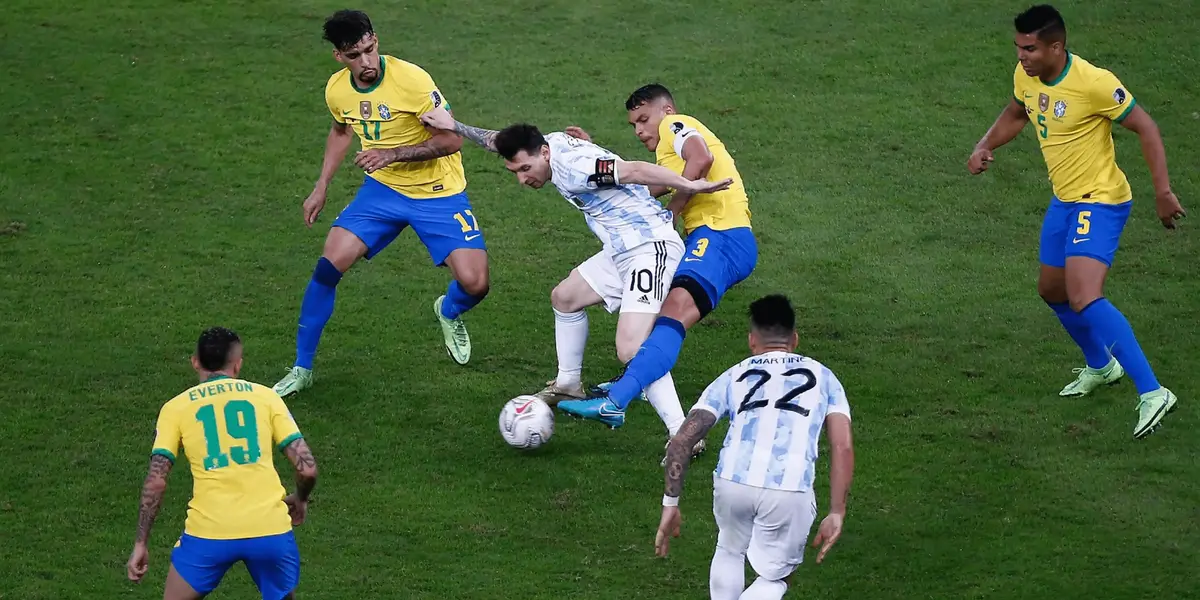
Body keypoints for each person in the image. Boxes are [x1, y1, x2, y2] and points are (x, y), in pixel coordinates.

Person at [419, 107, 730, 456]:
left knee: (631, 348)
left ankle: (683, 433)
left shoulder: (575, 170)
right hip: (621, 248)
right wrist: (455, 126)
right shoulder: (546, 143)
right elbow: (497, 140)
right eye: (515, 171)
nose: (523, 179)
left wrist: (689, 185)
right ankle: (568, 385)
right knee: (565, 298)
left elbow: (636, 170)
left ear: (545, 154)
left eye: (525, 169)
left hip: (649, 247)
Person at [967, 4, 1183, 438]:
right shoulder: (1026, 75)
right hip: (1065, 200)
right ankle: (1102, 366)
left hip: (1101, 200)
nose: (1022, 56)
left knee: (1085, 294)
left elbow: (1147, 127)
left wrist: (1162, 192)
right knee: (1052, 289)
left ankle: (1154, 392)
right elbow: (1016, 113)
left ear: (1056, 46)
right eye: (1018, 47)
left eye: (1029, 48)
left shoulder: (1094, 83)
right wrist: (984, 144)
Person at [274, 9, 489, 396]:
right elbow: (341, 131)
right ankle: (302, 368)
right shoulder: (337, 89)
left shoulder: (413, 80)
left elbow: (452, 140)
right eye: (355, 55)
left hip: (437, 190)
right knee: (328, 266)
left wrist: (392, 154)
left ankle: (448, 309)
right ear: (339, 56)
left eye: (370, 49)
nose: (366, 61)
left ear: (376, 39)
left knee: (475, 283)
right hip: (383, 192)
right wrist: (321, 184)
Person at [557, 84, 758, 428]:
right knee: (662, 314)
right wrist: (592, 156)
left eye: (643, 119)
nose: (639, 130)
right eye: (633, 125)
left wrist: (676, 207)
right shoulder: (667, 154)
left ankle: (618, 401)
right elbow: (641, 188)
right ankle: (632, 382)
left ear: (665, 111)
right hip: (711, 237)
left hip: (723, 235)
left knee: (672, 315)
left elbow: (701, 159)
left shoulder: (674, 125)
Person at [653, 295, 853, 600]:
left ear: (751, 340)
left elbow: (682, 440)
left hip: (733, 479)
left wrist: (671, 504)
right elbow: (841, 446)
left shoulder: (733, 375)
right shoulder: (825, 378)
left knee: (730, 548)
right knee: (777, 576)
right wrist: (836, 511)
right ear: (794, 339)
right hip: (788, 488)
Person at [126, 327, 318, 600]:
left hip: (209, 533)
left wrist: (141, 543)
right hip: (270, 528)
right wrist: (300, 499)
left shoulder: (175, 408)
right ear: (238, 364)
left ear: (195, 361)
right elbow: (307, 468)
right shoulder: (266, 398)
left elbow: (156, 481)